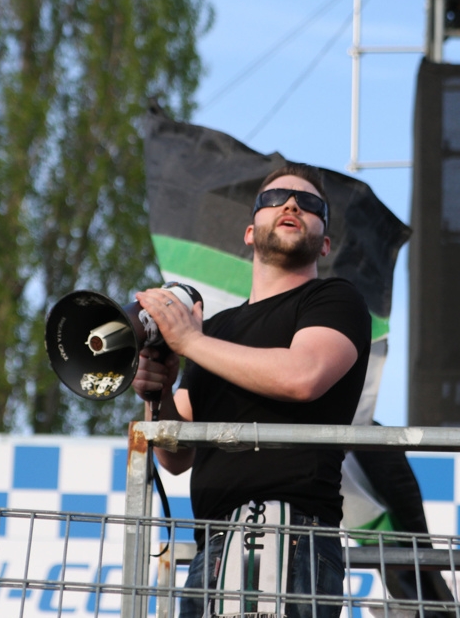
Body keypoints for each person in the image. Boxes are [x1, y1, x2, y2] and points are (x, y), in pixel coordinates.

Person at [132, 162, 371, 618]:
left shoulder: (335, 299)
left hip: (286, 532)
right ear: (249, 231)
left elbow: (303, 376)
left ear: (325, 241)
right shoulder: (215, 332)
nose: (291, 204)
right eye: (273, 198)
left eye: (310, 204)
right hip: (213, 543)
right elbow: (175, 455)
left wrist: (190, 342)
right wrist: (160, 392)